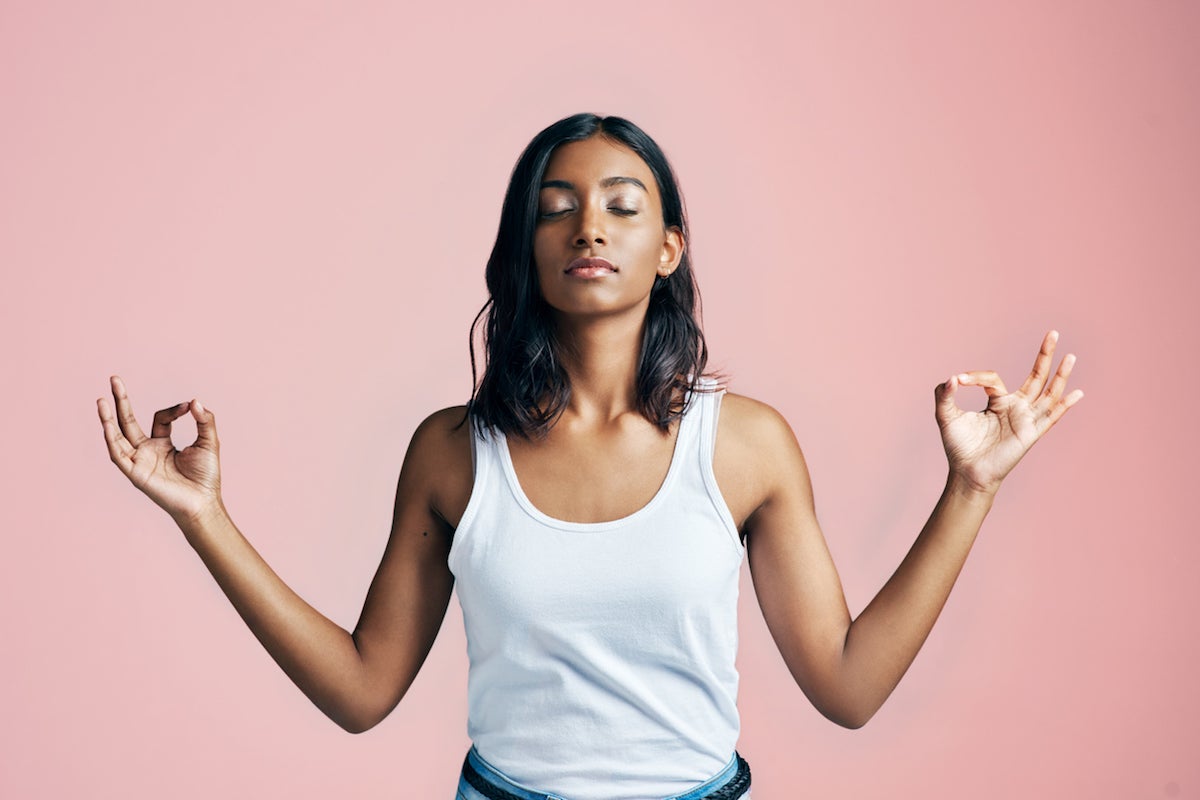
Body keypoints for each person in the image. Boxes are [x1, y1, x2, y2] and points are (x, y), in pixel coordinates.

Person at [97, 113, 1082, 800]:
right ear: (526, 245)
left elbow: (848, 686)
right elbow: (362, 690)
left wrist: (970, 487)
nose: (589, 225)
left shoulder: (745, 443)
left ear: (668, 247)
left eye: (621, 203)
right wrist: (204, 516)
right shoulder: (450, 451)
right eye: (556, 205)